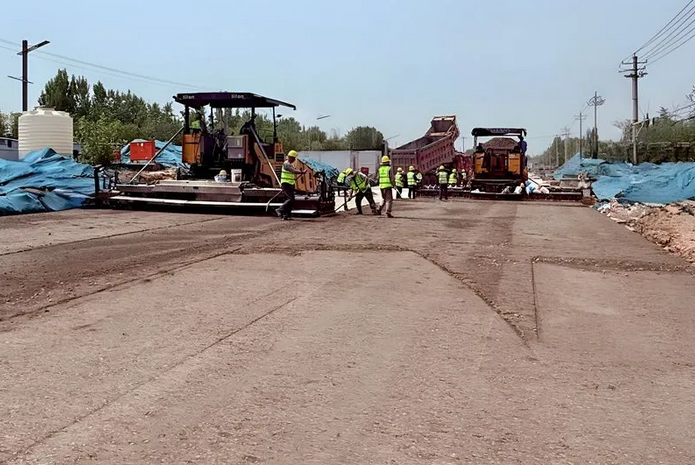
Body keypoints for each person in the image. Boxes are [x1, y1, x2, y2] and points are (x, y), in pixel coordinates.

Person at [275, 150, 306, 220]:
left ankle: (286, 215)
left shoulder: (289, 164)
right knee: (290, 199)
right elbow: (293, 171)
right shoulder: (286, 164)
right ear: (290, 157)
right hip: (286, 183)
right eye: (294, 158)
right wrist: (301, 172)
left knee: (289, 199)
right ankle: (279, 209)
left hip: (290, 183)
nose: (294, 160)